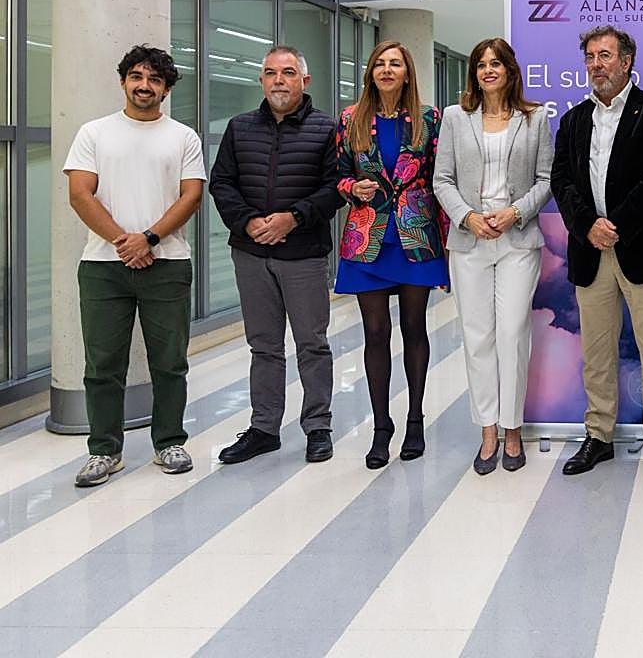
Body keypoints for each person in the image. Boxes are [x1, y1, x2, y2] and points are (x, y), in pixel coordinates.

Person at [64, 45, 207, 487]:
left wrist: (147, 239)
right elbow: (80, 194)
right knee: (102, 363)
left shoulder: (183, 137)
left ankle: (169, 442)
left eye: (154, 80)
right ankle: (104, 451)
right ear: (124, 80)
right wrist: (124, 242)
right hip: (103, 266)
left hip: (167, 264)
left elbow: (191, 196)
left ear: (166, 89)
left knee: (170, 361)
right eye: (137, 77)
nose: (145, 86)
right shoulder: (94, 132)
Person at [550, 26, 643, 487]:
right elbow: (561, 181)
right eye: (590, 56)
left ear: (626, 61)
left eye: (605, 55)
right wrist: (588, 225)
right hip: (590, 251)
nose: (596, 64)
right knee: (597, 354)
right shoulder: (572, 120)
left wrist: (617, 226)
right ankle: (598, 435)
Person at [209, 45, 344, 466]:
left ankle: (317, 427)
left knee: (312, 343)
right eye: (270, 73)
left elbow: (334, 188)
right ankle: (264, 428)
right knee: (263, 345)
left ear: (305, 81)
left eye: (287, 73)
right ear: (262, 81)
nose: (278, 80)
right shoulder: (240, 127)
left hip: (303, 254)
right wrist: (248, 221)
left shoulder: (327, 130)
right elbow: (222, 183)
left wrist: (293, 218)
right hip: (251, 254)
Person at [433, 38, 552, 475]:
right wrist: (467, 218)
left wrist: (515, 211)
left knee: (513, 333)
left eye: (495, 63)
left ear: (509, 69)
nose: (487, 70)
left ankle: (513, 428)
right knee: (478, 335)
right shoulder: (454, 118)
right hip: (470, 242)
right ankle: (487, 430)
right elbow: (441, 179)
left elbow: (546, 178)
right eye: (481, 64)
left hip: (517, 239)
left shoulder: (534, 117)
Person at [335, 40, 450, 470]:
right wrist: (352, 188)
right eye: (380, 64)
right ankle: (381, 427)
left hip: (415, 236)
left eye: (395, 64)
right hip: (368, 239)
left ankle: (415, 420)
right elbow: (339, 174)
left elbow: (443, 176)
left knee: (414, 328)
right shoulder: (351, 119)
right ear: (371, 72)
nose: (387, 70)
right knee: (375, 331)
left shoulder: (428, 119)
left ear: (407, 73)